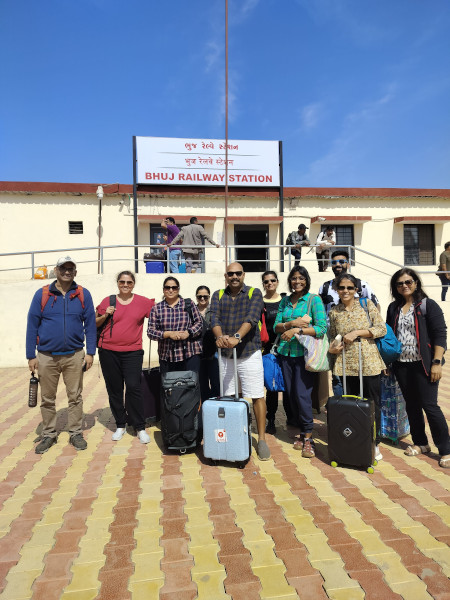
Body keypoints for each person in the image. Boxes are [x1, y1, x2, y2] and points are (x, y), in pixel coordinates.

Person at [26, 256, 96, 454]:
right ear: (56, 270)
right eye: (63, 268)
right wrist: (30, 355)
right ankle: (49, 434)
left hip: (74, 355)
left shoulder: (83, 294)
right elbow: (32, 325)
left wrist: (90, 353)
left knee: (75, 396)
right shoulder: (42, 294)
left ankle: (75, 432)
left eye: (70, 268)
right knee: (48, 398)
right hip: (47, 356)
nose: (67, 271)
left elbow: (90, 325)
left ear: (75, 272)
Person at [386, 268, 450, 468]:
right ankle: (421, 443)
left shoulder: (427, 305)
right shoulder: (393, 307)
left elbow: (440, 334)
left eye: (408, 282)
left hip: (424, 364)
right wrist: (388, 362)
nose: (404, 286)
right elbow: (389, 336)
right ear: (395, 287)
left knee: (430, 406)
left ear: (416, 282)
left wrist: (437, 362)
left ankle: (446, 449)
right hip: (402, 365)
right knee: (411, 405)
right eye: (400, 283)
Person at [210, 262, 270, 460]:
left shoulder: (254, 293)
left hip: (249, 353)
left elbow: (252, 318)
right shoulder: (217, 295)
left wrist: (236, 336)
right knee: (229, 397)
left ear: (243, 274)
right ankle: (233, 435)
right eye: (230, 274)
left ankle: (261, 439)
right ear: (225, 276)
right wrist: (220, 337)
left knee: (256, 396)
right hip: (226, 355)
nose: (234, 277)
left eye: (238, 273)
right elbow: (214, 319)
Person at [328, 272, 387, 461]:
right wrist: (333, 347)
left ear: (356, 290)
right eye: (342, 287)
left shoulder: (366, 304)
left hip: (368, 361)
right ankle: (355, 437)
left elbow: (381, 328)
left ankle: (374, 442)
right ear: (337, 290)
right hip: (346, 364)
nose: (345, 291)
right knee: (350, 404)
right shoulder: (334, 311)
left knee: (371, 403)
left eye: (349, 288)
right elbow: (332, 336)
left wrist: (357, 332)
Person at [273, 266, 327, 458]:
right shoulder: (285, 301)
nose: (297, 282)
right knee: (292, 395)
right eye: (294, 278)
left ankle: (308, 438)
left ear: (307, 280)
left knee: (303, 395)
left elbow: (321, 328)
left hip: (305, 356)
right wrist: (291, 324)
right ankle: (303, 431)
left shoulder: (314, 300)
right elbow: (276, 326)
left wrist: (298, 331)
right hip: (286, 354)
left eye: (301, 278)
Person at [96, 271, 155, 443]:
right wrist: (105, 314)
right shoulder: (108, 301)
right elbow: (95, 322)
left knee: (133, 388)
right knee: (114, 390)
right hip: (108, 351)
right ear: (118, 283)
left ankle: (140, 427)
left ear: (133, 283)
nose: (125, 285)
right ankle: (120, 424)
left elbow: (160, 313)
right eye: (122, 281)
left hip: (132, 352)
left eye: (129, 282)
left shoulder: (143, 302)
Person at [319, 249, 381, 396]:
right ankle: (341, 412)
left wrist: (364, 327)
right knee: (341, 386)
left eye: (341, 261)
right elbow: (322, 311)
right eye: (334, 262)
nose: (338, 264)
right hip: (339, 345)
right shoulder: (325, 287)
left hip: (364, 350)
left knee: (369, 395)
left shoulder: (362, 284)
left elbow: (376, 307)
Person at [260, 271, 296, 434]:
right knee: (272, 386)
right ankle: (271, 419)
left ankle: (291, 416)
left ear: (277, 282)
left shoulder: (285, 301)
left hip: (287, 346)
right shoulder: (260, 303)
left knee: (289, 384)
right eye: (266, 281)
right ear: (263, 283)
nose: (270, 283)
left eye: (272, 280)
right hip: (269, 350)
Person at [147, 276, 203, 374]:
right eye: (167, 287)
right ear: (163, 290)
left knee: (191, 387)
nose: (171, 290)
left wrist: (188, 332)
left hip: (190, 354)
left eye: (174, 287)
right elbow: (150, 332)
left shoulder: (189, 304)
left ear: (178, 289)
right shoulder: (156, 308)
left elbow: (199, 323)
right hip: (167, 356)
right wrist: (167, 334)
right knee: (169, 388)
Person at [195, 285, 220, 401]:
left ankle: (215, 408)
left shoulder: (214, 311)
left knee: (216, 382)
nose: (202, 299)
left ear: (209, 297)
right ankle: (206, 409)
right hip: (198, 352)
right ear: (196, 297)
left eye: (205, 296)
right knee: (202, 384)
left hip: (214, 352)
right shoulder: (192, 311)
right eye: (200, 296)